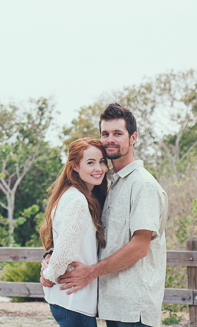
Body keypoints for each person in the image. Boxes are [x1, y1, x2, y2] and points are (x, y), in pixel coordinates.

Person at [53, 103, 169, 327]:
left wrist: (91, 273)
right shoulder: (107, 184)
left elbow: (140, 246)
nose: (110, 139)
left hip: (135, 309)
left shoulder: (143, 185)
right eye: (105, 134)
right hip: (112, 306)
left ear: (133, 137)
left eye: (118, 133)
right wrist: (51, 257)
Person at [38, 137, 109, 327]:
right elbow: (66, 250)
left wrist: (49, 263)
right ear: (75, 166)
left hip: (70, 300)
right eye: (90, 162)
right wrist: (49, 275)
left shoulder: (73, 195)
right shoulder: (77, 200)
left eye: (102, 161)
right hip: (73, 301)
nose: (99, 168)